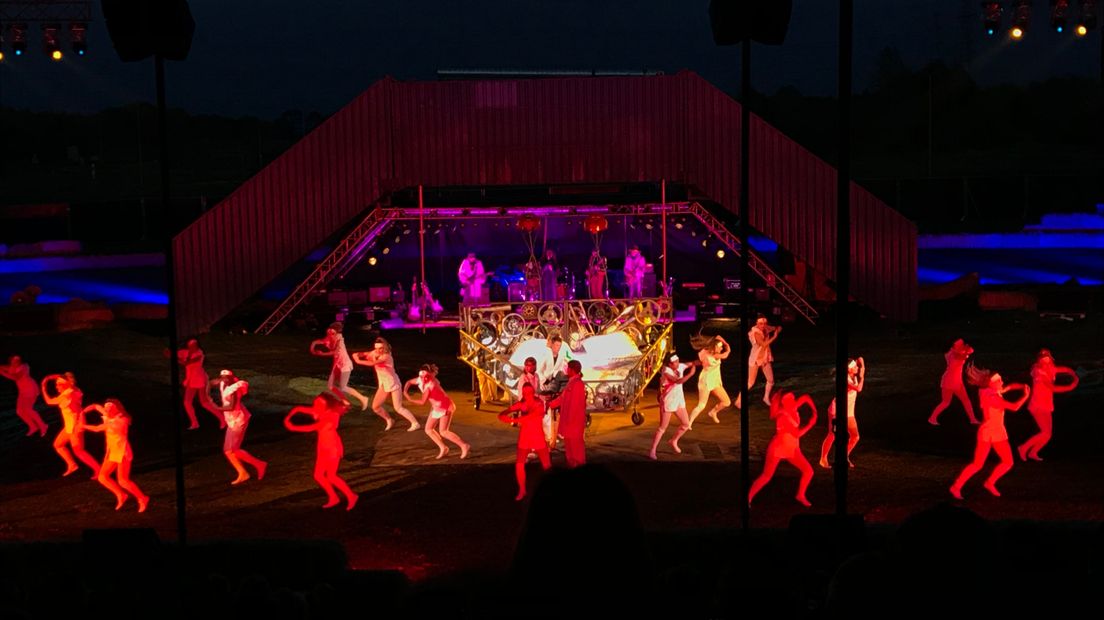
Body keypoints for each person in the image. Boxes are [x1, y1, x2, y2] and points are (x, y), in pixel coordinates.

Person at [950, 366, 1030, 499]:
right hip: (993, 433)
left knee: (997, 463)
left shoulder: (985, 390)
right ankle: (960, 486)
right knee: (995, 463)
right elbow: (1015, 407)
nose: (1002, 382)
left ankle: (987, 483)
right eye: (999, 381)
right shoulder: (994, 398)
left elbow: (1006, 388)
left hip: (990, 432)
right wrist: (1026, 395)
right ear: (992, 383)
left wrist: (1020, 385)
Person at [284, 391, 359, 510]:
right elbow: (300, 408)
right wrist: (291, 414)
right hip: (323, 447)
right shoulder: (321, 411)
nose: (316, 404)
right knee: (318, 475)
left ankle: (351, 496)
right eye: (316, 401)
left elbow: (312, 427)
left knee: (331, 476)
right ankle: (334, 497)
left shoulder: (333, 415)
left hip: (333, 448)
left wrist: (292, 427)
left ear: (327, 404)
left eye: (319, 402)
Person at [748, 391, 818, 507]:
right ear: (783, 402)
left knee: (808, 471)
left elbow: (806, 397)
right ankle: (748, 497)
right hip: (778, 448)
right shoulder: (782, 415)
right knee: (766, 476)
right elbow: (797, 434)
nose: (792, 399)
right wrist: (811, 424)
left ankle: (800, 495)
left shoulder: (793, 405)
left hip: (792, 449)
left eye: (792, 397)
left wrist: (814, 410)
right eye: (788, 398)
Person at [82, 399, 150, 512]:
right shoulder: (110, 415)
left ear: (117, 409)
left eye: (110, 408)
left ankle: (142, 498)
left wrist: (82, 426)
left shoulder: (121, 420)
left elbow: (98, 428)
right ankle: (121, 495)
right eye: (106, 408)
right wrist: (85, 410)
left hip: (122, 452)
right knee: (102, 477)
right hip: (112, 452)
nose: (107, 410)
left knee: (123, 480)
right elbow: (97, 407)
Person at [1017, 349, 1079, 462]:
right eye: (1043, 360)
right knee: (1045, 432)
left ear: (1050, 359)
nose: (1045, 362)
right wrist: (1070, 387)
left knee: (1047, 434)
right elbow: (1052, 387)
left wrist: (1073, 373)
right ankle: (1023, 448)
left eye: (1047, 359)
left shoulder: (1050, 368)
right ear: (1039, 361)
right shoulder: (1038, 371)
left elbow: (1064, 369)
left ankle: (1033, 452)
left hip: (1046, 405)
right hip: (1037, 405)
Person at [352, 337, 421, 432]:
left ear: (384, 348)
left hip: (393, 383)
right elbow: (366, 353)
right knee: (375, 407)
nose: (378, 350)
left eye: (380, 348)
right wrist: (358, 354)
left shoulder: (386, 356)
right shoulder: (375, 352)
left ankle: (415, 423)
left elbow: (373, 363)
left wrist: (357, 360)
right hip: (384, 384)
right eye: (376, 348)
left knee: (398, 407)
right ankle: (389, 420)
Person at [404, 364, 471, 460]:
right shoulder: (421, 379)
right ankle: (443, 448)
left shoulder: (431, 385)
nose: (422, 379)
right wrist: (405, 391)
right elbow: (409, 382)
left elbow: (422, 402)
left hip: (445, 407)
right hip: (436, 407)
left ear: (429, 376)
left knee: (443, 431)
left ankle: (464, 445)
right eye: (421, 377)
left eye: (424, 377)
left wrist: (410, 399)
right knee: (428, 429)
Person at [41, 372, 100, 477]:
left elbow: (49, 401)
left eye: (58, 385)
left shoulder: (67, 395)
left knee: (79, 451)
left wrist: (44, 388)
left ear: (64, 385)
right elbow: (66, 379)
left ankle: (98, 470)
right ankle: (72, 464)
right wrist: (52, 377)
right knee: (58, 445)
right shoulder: (74, 390)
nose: (56, 387)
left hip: (75, 426)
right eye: (56, 384)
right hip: (70, 425)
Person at [499, 383, 551, 501]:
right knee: (520, 464)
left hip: (537, 437)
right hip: (526, 437)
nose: (527, 394)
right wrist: (503, 415)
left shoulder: (538, 403)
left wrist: (513, 419)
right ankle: (522, 489)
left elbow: (532, 416)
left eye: (529, 392)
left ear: (532, 392)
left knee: (546, 465)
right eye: (525, 392)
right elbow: (505, 412)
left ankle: (550, 488)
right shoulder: (522, 404)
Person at [214, 369, 267, 485]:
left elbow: (231, 407)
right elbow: (216, 382)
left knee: (231, 450)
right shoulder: (224, 383)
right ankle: (244, 472)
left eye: (226, 378)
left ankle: (258, 465)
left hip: (238, 420)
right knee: (228, 451)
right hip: (232, 420)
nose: (224, 380)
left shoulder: (233, 390)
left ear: (231, 378)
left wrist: (216, 408)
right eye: (222, 377)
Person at [310, 323, 370, 411]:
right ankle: (345, 401)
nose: (330, 332)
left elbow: (335, 352)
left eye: (332, 331)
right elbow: (320, 341)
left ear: (337, 332)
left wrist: (322, 353)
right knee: (331, 386)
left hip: (345, 365)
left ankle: (363, 398)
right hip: (337, 365)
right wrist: (313, 347)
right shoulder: (330, 337)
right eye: (329, 330)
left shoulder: (340, 340)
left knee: (343, 386)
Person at [819, 357, 866, 468]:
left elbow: (860, 359)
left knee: (855, 436)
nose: (857, 368)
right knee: (832, 435)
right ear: (848, 370)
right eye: (854, 367)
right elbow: (858, 389)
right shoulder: (844, 380)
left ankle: (844, 456)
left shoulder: (853, 375)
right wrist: (862, 377)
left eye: (856, 366)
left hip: (849, 411)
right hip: (836, 410)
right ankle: (823, 459)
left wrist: (861, 364)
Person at [649, 353, 698, 460]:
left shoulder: (680, 365)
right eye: (674, 362)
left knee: (686, 424)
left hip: (679, 400)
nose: (677, 363)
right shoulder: (666, 371)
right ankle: (653, 449)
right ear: (669, 364)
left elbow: (692, 363)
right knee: (662, 428)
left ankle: (674, 440)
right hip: (668, 401)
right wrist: (690, 374)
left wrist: (703, 360)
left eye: (677, 361)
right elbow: (677, 381)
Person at [928, 338, 979, 426]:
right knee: (946, 402)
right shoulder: (951, 354)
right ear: (954, 346)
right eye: (960, 345)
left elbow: (971, 350)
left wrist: (966, 351)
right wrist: (966, 352)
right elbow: (961, 355)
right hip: (949, 382)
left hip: (957, 382)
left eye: (962, 345)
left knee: (965, 400)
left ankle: (973, 419)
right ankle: (932, 418)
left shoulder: (957, 352)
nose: (962, 346)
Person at [178, 338, 225, 430]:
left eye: (194, 345)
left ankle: (222, 419)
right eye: (191, 345)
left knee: (204, 403)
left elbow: (188, 362)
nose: (193, 347)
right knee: (187, 402)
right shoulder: (185, 352)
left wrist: (180, 360)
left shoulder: (199, 353)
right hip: (192, 381)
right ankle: (195, 423)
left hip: (200, 380)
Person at [547, 360, 587, 467]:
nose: (566, 370)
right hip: (569, 423)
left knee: (576, 448)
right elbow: (562, 398)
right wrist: (550, 404)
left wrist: (570, 421)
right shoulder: (571, 382)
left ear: (572, 370)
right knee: (569, 447)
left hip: (573, 423)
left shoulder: (578, 384)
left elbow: (575, 405)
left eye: (568, 368)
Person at [735, 315, 781, 409]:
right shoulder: (755, 332)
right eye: (760, 323)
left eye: (764, 323)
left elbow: (777, 327)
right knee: (750, 383)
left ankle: (766, 397)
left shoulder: (766, 328)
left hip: (765, 358)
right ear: (756, 323)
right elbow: (763, 344)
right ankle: (738, 400)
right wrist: (775, 336)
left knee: (771, 380)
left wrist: (777, 329)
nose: (763, 325)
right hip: (756, 358)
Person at [687, 333, 732, 427]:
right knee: (702, 405)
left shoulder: (707, 352)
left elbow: (718, 336)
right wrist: (727, 345)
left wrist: (722, 342)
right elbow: (726, 354)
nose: (721, 349)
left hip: (714, 381)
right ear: (714, 346)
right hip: (706, 381)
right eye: (719, 347)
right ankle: (689, 422)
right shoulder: (712, 355)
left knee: (726, 402)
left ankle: (713, 412)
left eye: (721, 347)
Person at [0, 355, 48, 436]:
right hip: (22, 391)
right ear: (11, 360)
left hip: (30, 389)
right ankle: (33, 427)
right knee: (19, 411)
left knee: (28, 409)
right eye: (14, 359)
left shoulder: (24, 366)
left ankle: (43, 425)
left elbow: (16, 377)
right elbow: (3, 367)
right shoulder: (11, 367)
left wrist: (1, 372)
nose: (16, 361)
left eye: (18, 359)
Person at [537, 334, 569, 447]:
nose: (557, 347)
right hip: (544, 383)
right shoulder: (545, 354)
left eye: (559, 345)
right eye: (556, 345)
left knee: (553, 410)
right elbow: (539, 370)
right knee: (545, 411)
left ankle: (553, 434)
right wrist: (543, 382)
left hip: (554, 383)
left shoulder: (560, 355)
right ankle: (548, 436)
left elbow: (559, 369)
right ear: (552, 344)